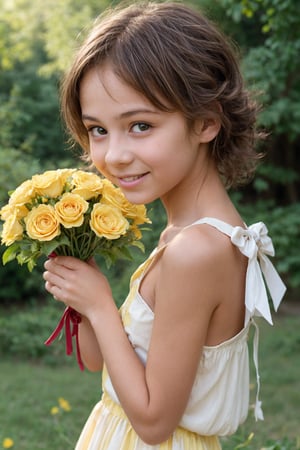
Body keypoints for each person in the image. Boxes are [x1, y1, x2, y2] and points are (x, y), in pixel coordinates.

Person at [43, 2, 286, 449]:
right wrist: (83, 280)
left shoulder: (197, 250)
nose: (113, 155)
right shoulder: (184, 234)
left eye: (139, 125)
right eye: (98, 130)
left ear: (206, 122)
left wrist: (99, 305)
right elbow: (101, 363)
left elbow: (154, 423)